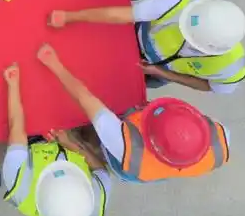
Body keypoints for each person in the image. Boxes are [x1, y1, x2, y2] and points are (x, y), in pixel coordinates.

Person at [37, 44, 231, 182]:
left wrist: (55, 65)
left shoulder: (127, 148)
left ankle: (85, 139)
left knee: (96, 141)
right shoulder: (220, 141)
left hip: (129, 163)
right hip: (156, 161)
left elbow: (85, 99)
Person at [49, 0, 245, 93]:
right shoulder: (181, 5)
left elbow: (209, 86)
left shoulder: (231, 69)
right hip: (136, 38)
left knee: (105, 86)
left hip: (156, 72)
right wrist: (69, 17)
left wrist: (163, 74)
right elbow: (122, 15)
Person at [2, 62, 110, 216]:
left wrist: (13, 83)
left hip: (34, 140)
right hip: (72, 143)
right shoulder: (94, 199)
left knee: (35, 94)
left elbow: (16, 128)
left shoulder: (20, 186)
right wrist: (73, 145)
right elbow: (100, 169)